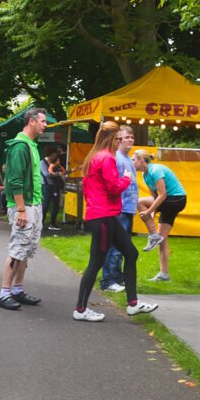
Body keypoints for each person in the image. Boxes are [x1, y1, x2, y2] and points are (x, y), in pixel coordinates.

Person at [74, 122, 157, 322]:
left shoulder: (94, 156)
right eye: (119, 139)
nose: (121, 142)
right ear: (113, 138)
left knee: (131, 252)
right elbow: (114, 188)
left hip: (104, 215)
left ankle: (133, 304)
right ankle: (80, 309)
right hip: (103, 216)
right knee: (96, 262)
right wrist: (127, 178)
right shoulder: (106, 158)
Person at [0, 108, 48, 310]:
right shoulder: (20, 147)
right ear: (32, 121)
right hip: (23, 206)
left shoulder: (32, 145)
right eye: (43, 121)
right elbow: (15, 180)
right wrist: (21, 210)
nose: (45, 125)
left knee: (26, 248)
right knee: (17, 248)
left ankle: (17, 289)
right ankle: (4, 293)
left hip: (34, 204)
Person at [133, 149, 187, 281]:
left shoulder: (155, 170)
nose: (132, 162)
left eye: (134, 159)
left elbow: (162, 195)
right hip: (168, 201)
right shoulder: (145, 176)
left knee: (138, 201)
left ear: (142, 160)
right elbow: (154, 197)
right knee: (162, 239)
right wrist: (150, 214)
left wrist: (148, 211)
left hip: (177, 199)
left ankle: (152, 235)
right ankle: (164, 274)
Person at [100, 125, 137, 292]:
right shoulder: (116, 158)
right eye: (125, 137)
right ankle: (108, 280)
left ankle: (118, 276)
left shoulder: (129, 159)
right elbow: (114, 185)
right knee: (115, 246)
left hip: (128, 208)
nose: (129, 140)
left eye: (131, 137)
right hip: (119, 209)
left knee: (124, 246)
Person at [40, 151, 64, 231]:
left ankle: (53, 223)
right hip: (46, 185)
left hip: (55, 186)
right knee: (45, 204)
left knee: (56, 205)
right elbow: (46, 174)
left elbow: (61, 171)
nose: (54, 157)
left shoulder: (54, 163)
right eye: (53, 155)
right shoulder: (42, 163)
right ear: (49, 155)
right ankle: (41, 223)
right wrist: (57, 174)